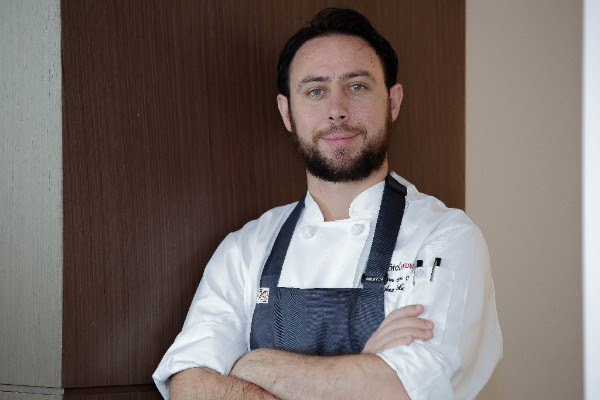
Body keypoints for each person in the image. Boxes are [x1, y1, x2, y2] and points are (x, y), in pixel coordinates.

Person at [153, 8, 502, 400]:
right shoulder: (245, 250)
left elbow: (402, 389)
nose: (337, 110)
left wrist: (253, 365)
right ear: (287, 112)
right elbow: (189, 387)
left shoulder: (446, 238)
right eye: (315, 91)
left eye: (357, 86)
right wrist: (362, 368)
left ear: (392, 102)